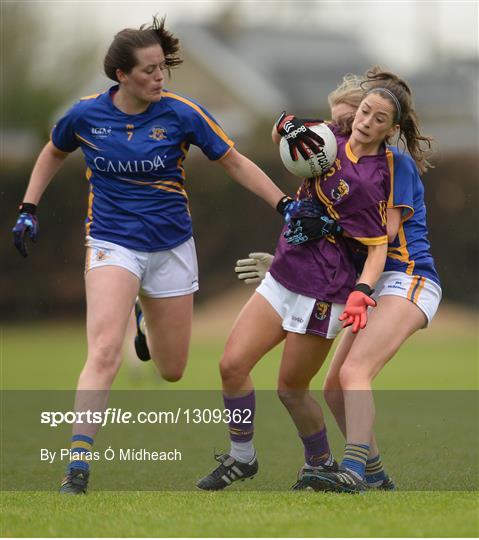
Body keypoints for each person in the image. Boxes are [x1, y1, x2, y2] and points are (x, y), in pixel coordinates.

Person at [11, 16, 291, 495]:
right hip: (111, 242)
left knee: (172, 369)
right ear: (121, 75)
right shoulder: (85, 115)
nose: (159, 77)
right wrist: (28, 206)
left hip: (171, 249)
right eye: (148, 70)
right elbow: (52, 151)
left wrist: (284, 205)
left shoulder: (183, 113)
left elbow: (235, 162)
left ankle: (143, 318)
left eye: (163, 68)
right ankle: (77, 466)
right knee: (102, 351)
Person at [196, 66, 426, 492]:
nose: (349, 123)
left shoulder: (379, 177)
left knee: (291, 388)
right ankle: (241, 456)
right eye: (351, 116)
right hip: (284, 274)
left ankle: (320, 462)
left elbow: (379, 245)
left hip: (325, 288)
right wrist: (285, 127)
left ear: (387, 126)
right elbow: (288, 140)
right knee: (231, 364)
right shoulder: (330, 139)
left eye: (372, 117)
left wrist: (356, 283)